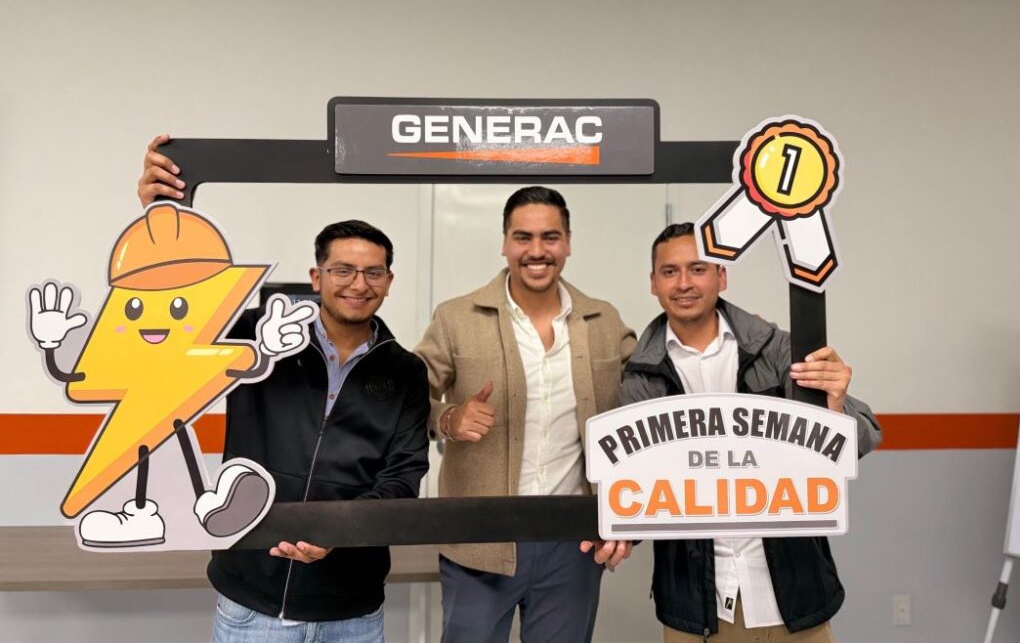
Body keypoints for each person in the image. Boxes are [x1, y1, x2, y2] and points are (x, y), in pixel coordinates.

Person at [138, 136, 429, 643]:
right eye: (342, 270)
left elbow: (403, 477)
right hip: (252, 601)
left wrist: (339, 531)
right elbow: (171, 322)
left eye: (373, 272)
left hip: (353, 610)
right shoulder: (257, 338)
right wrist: (158, 221)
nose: (358, 284)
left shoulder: (405, 370)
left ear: (388, 281)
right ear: (316, 277)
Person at [610, 222, 881, 642]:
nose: (684, 283)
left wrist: (834, 403)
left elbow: (863, 436)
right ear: (653, 283)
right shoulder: (640, 376)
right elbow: (636, 489)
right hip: (695, 608)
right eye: (670, 271)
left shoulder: (776, 350)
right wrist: (617, 533)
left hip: (795, 596)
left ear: (721, 276)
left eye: (698, 269)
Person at [415, 186, 637, 643]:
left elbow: (652, 406)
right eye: (523, 237)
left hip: (572, 541)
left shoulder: (605, 321)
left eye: (550, 237)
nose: (537, 251)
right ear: (505, 243)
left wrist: (627, 521)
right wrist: (449, 419)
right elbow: (403, 402)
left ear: (568, 242)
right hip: (478, 541)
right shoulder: (456, 318)